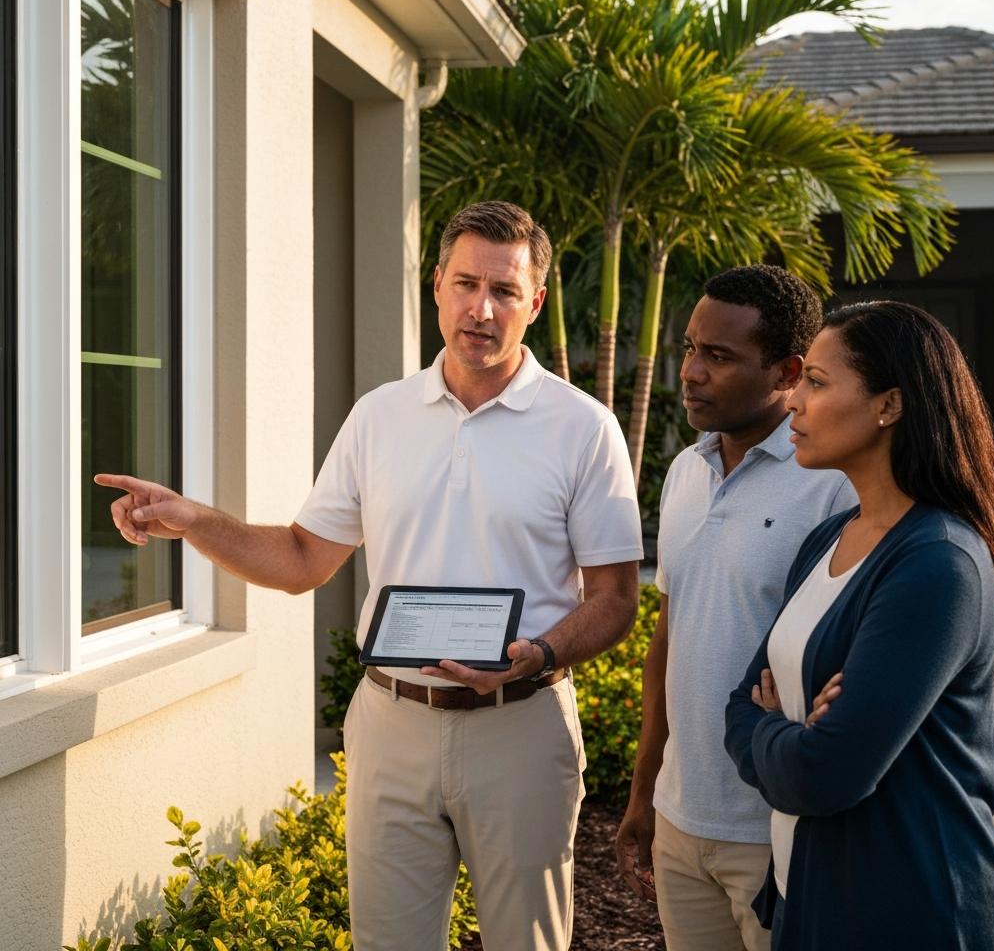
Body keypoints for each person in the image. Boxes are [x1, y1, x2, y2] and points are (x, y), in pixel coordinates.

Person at [96, 201, 644, 951]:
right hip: (392, 723)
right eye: (465, 284)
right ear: (437, 285)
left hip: (521, 724)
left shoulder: (583, 427)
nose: (481, 309)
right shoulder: (379, 416)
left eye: (504, 291)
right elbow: (301, 559)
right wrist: (196, 522)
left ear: (536, 301)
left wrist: (538, 654)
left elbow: (615, 599)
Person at [724, 301, 994, 950]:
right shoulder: (830, 538)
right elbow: (737, 706)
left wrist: (775, 730)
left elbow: (824, 775)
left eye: (817, 382)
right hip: (812, 898)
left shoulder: (938, 563)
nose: (793, 401)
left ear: (889, 405)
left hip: (916, 912)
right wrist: (792, 734)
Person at [615, 265, 855, 951]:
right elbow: (671, 636)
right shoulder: (685, 472)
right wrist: (645, 790)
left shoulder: (833, 485)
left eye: (718, 356)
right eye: (690, 348)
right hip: (680, 819)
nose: (690, 372)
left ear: (787, 372)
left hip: (777, 829)